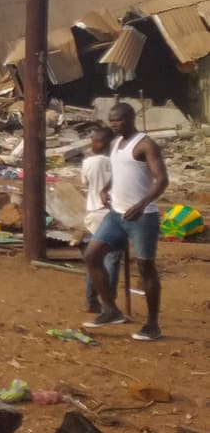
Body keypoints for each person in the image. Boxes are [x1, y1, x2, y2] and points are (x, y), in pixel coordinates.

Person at [83, 103, 169, 341]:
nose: (114, 124)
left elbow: (162, 180)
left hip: (143, 216)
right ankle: (111, 309)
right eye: (111, 120)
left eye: (118, 120)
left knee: (146, 268)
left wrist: (140, 205)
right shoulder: (115, 144)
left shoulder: (145, 144)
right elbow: (118, 172)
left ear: (131, 118)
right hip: (116, 214)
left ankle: (152, 325)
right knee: (92, 255)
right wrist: (105, 188)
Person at [80, 125, 123, 313]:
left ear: (100, 143)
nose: (91, 144)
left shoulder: (89, 162)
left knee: (94, 259)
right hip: (114, 213)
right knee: (112, 258)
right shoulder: (117, 162)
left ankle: (92, 301)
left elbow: (85, 183)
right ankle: (109, 301)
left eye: (93, 141)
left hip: (94, 213)